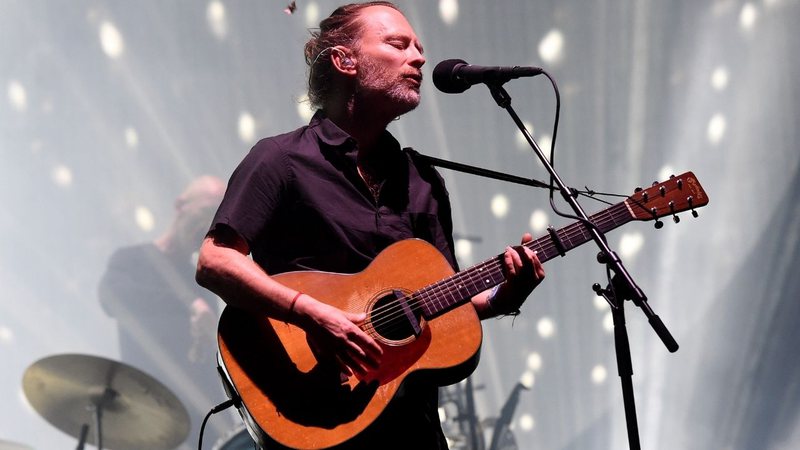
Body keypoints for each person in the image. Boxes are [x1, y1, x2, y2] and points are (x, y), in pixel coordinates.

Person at [195, 2, 546, 448]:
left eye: (419, 48)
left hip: (413, 427)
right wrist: (313, 314)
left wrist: (504, 297)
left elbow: (444, 300)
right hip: (315, 407)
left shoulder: (423, 181)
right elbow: (215, 259)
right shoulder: (280, 160)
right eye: (398, 44)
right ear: (344, 61)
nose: (418, 58)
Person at [99, 175, 231, 449]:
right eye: (206, 212)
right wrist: (187, 304)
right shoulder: (132, 259)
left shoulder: (202, 282)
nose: (207, 226)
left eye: (215, 221)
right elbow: (110, 296)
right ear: (181, 205)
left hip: (199, 423)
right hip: (144, 413)